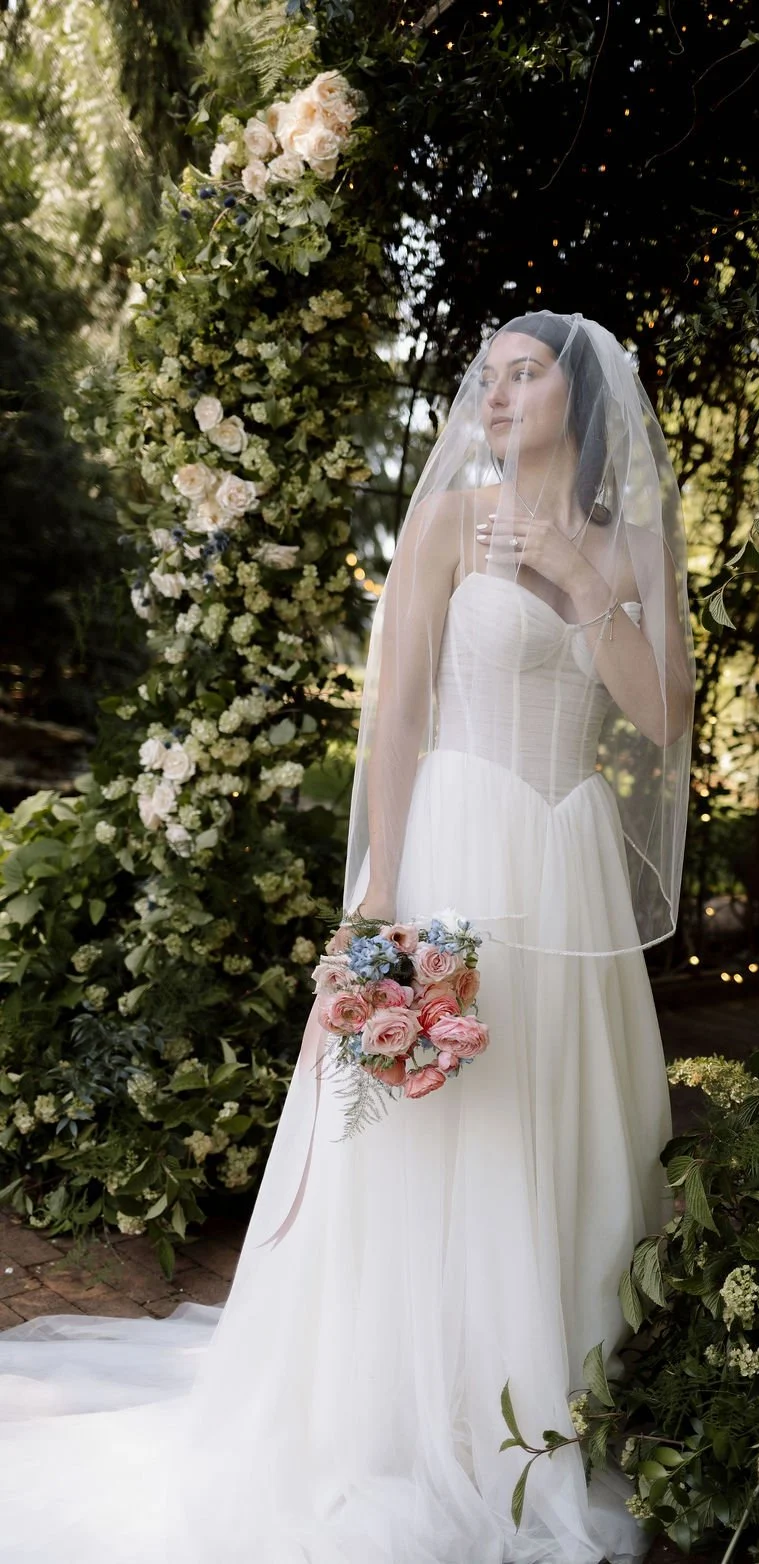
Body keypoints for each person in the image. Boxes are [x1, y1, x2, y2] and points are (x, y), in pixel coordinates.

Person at [0, 310, 694, 1564]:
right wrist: (380, 890)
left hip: (569, 857)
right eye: (487, 375)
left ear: (579, 402)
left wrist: (583, 579)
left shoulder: (625, 543)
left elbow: (661, 719)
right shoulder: (448, 523)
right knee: (438, 1123)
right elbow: (398, 716)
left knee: (562, 1112)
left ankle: (546, 1397)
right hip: (460, 841)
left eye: (525, 374)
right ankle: (405, 1404)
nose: (496, 394)